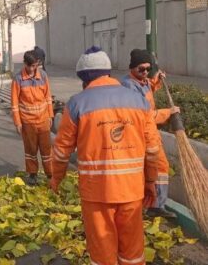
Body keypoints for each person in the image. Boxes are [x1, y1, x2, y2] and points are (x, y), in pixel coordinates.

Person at [49, 46, 160, 265]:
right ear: (108, 72)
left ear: (84, 78)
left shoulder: (77, 103)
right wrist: (150, 181)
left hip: (96, 194)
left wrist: (56, 179)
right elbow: (153, 148)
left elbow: (61, 152)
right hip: (131, 190)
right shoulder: (138, 101)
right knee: (133, 253)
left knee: (102, 255)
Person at [121, 49, 180, 219]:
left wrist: (157, 79)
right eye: (141, 69)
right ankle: (153, 205)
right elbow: (143, 115)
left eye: (148, 69)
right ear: (132, 68)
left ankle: (153, 204)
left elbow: (149, 89)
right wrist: (168, 112)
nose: (145, 72)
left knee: (157, 169)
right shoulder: (129, 87)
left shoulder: (142, 81)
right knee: (157, 168)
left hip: (150, 132)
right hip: (141, 133)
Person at [11, 50, 54, 185]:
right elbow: (14, 103)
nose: (31, 69)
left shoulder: (43, 76)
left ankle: (50, 174)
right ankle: (32, 174)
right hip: (27, 122)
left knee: (47, 150)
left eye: (34, 66)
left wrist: (50, 115)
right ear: (25, 64)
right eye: (29, 66)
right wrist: (17, 122)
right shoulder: (18, 79)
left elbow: (48, 97)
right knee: (30, 150)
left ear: (37, 64)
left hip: (43, 120)